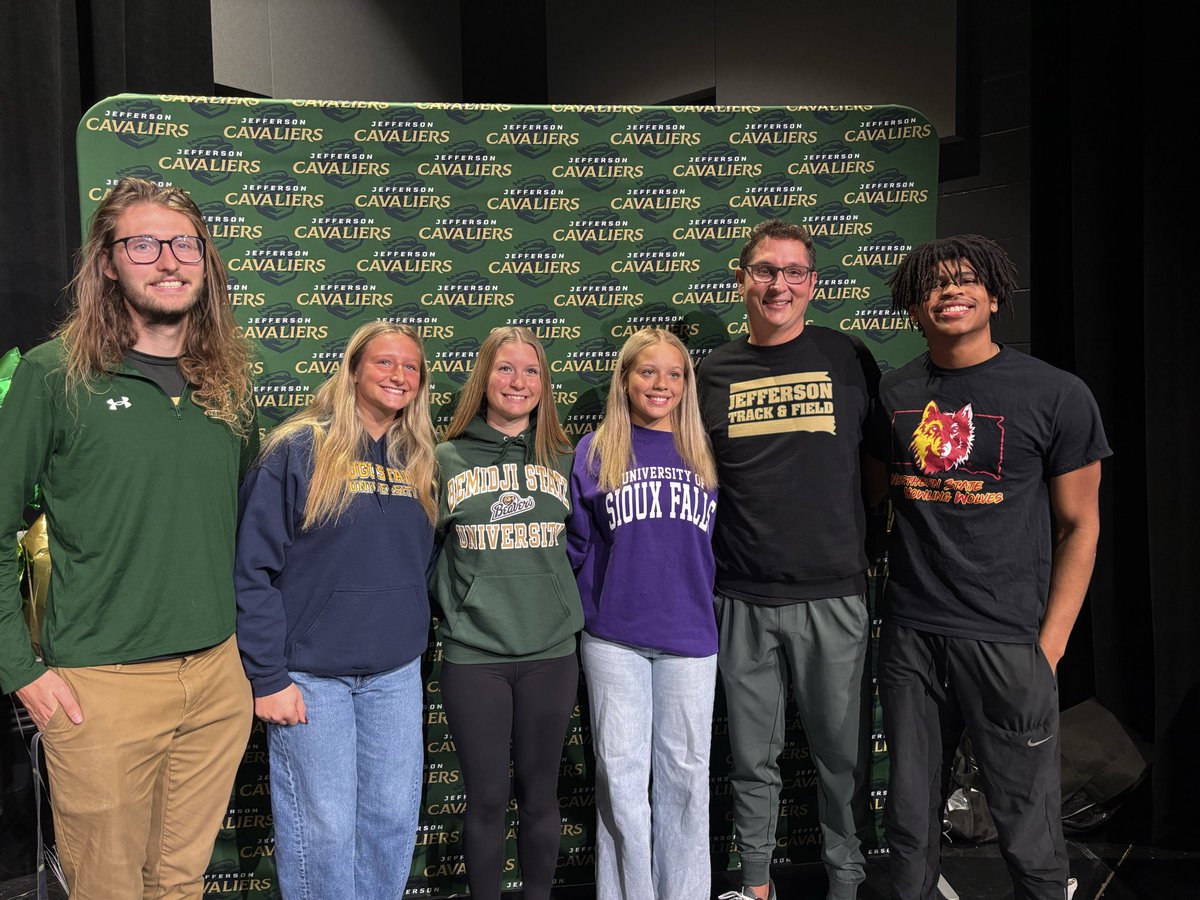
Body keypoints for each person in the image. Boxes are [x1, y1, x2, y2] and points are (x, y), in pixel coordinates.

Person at [0, 177, 258, 899]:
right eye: (143, 243)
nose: (168, 260)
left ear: (205, 262)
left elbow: (241, 525)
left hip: (215, 681)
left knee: (179, 884)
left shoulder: (229, 383)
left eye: (185, 244)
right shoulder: (57, 375)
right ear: (108, 262)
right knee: (108, 889)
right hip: (102, 688)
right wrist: (19, 669)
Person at [870, 235, 1109, 900]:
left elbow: (1081, 525)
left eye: (965, 279)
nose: (950, 291)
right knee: (910, 822)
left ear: (994, 295)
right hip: (912, 636)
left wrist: (1051, 644)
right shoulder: (895, 393)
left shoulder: (1055, 394)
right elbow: (866, 494)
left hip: (1007, 639)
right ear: (913, 307)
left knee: (1027, 825)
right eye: (934, 284)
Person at [697, 219, 880, 900]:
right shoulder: (711, 372)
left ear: (813, 284)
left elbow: (877, 468)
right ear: (741, 278)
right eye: (765, 270)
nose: (779, 284)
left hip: (834, 593)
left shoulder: (846, 355)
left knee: (841, 759)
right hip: (741, 596)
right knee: (752, 761)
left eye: (794, 272)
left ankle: (847, 882)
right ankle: (755, 885)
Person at [234, 321, 437, 898]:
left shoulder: (419, 458)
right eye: (384, 363)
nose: (399, 375)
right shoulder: (299, 447)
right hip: (310, 678)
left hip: (394, 676)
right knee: (321, 832)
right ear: (352, 370)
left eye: (411, 367)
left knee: (392, 823)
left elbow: (420, 565)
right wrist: (268, 676)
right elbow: (252, 569)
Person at [430, 326, 584, 900]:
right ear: (483, 378)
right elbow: (420, 552)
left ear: (545, 384)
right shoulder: (444, 458)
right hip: (476, 655)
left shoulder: (567, 458)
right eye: (505, 369)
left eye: (530, 371)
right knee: (488, 797)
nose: (518, 381)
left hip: (551, 652)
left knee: (541, 793)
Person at [567, 328, 720, 900]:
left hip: (690, 636)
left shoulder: (704, 450)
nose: (661, 384)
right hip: (614, 639)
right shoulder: (596, 449)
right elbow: (576, 546)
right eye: (648, 372)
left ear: (687, 384)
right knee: (621, 780)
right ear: (625, 380)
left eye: (674, 373)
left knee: (686, 781)